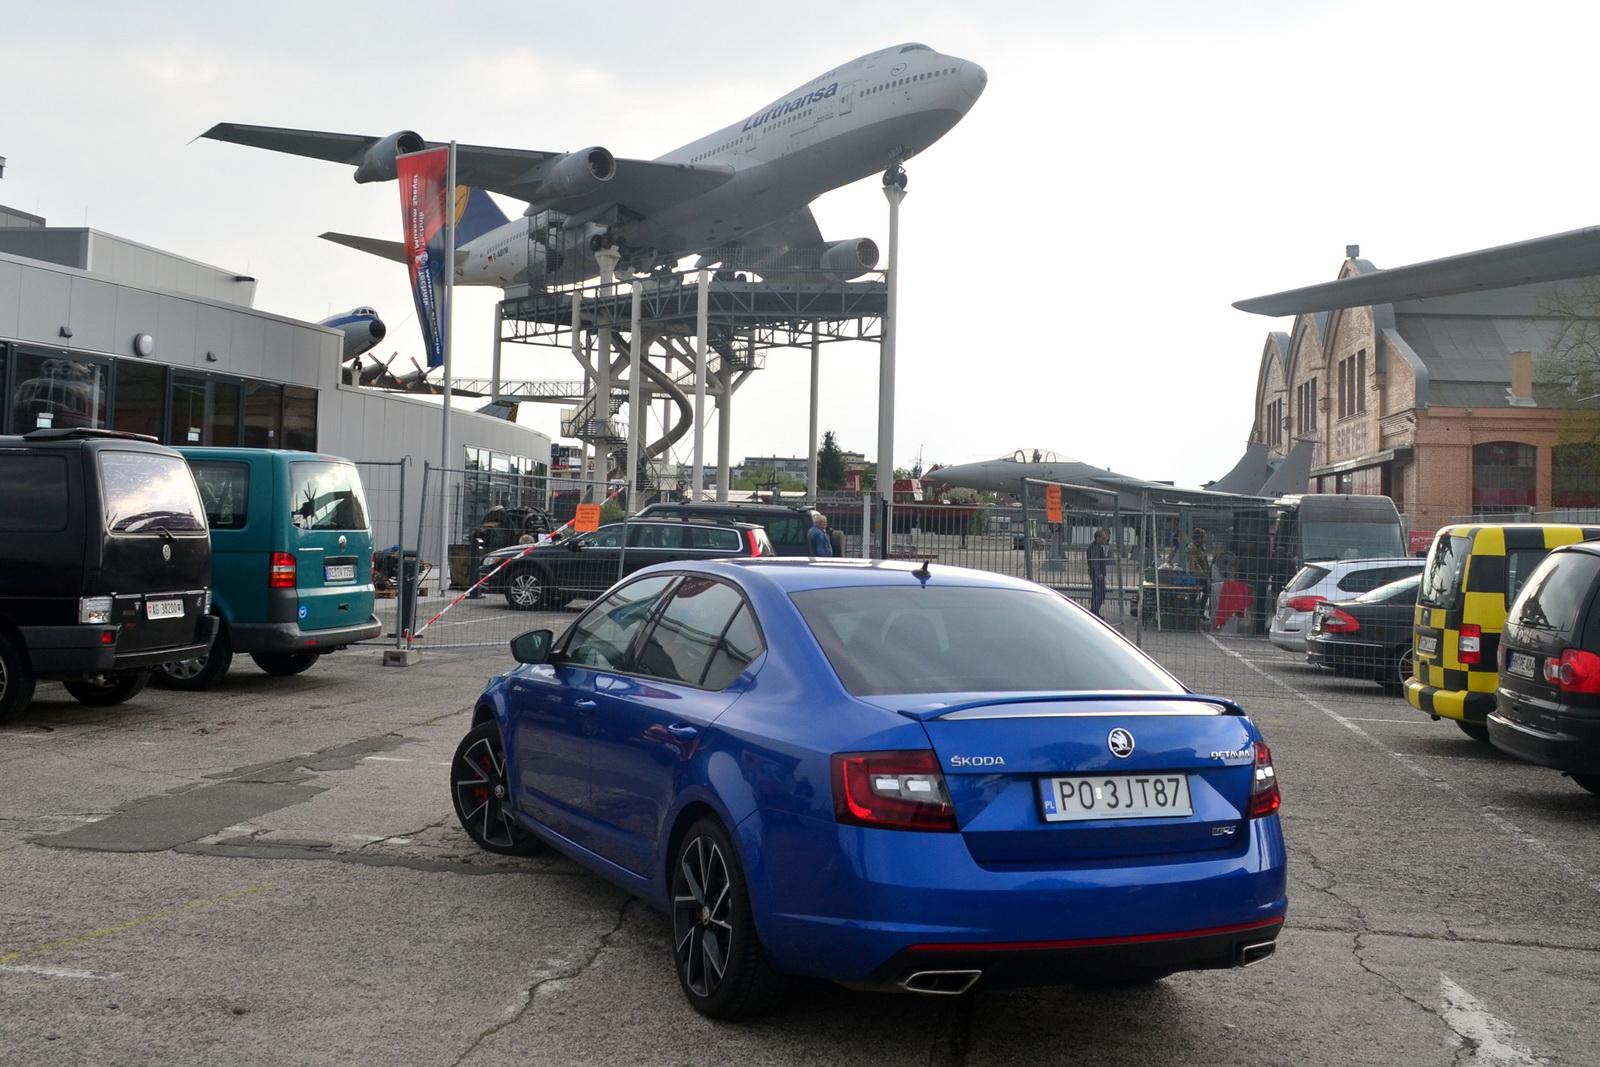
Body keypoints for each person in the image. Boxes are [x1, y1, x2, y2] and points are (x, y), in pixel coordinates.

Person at [1186, 528, 1213, 616]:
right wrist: (1202, 573)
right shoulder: (1192, 547)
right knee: (1194, 593)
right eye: (1202, 537)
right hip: (1195, 574)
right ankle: (1192, 611)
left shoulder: (1202, 547)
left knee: (1207, 592)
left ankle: (1201, 613)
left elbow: (1205, 561)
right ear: (1197, 537)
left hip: (1203, 574)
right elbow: (1194, 563)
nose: (1203, 540)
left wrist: (1208, 572)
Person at [1087, 528, 1111, 616]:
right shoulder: (1095, 547)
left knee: (1096, 594)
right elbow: (1095, 562)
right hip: (1097, 575)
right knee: (1101, 594)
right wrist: (1099, 573)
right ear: (1098, 538)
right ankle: (1094, 612)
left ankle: (1094, 612)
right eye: (1103, 538)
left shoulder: (1096, 546)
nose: (1105, 540)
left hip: (1096, 574)